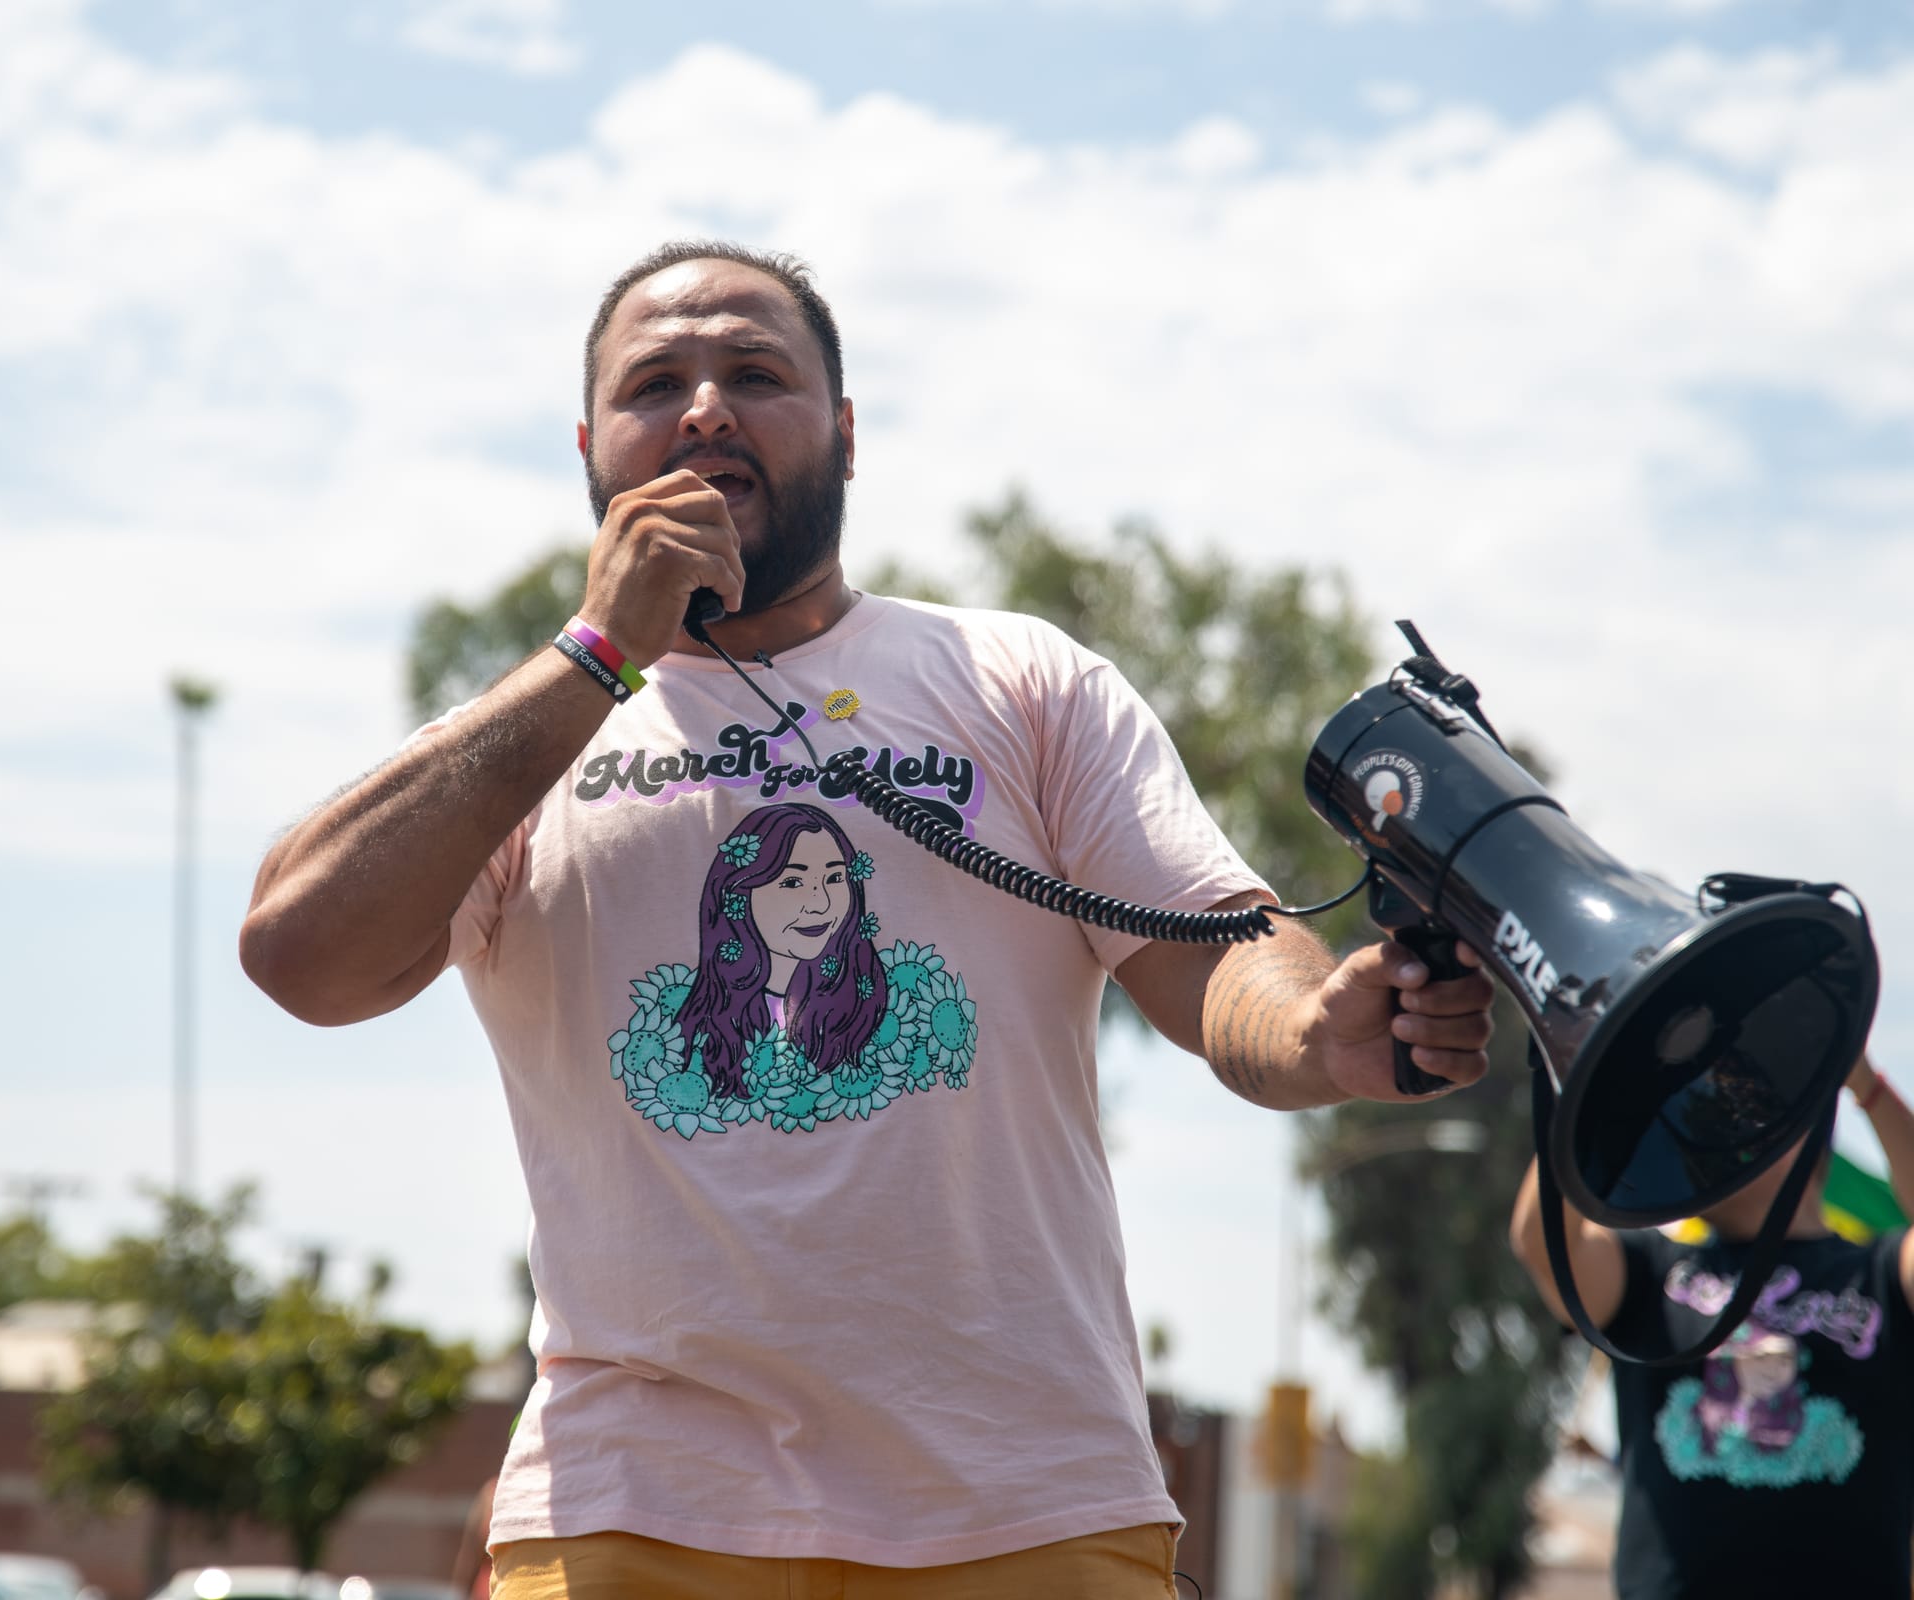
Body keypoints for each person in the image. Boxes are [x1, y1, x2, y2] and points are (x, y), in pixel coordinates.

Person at [240, 240, 1497, 1600]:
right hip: (633, 1514)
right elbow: (301, 956)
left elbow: (1216, 956)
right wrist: (598, 655)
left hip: (1025, 1509)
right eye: (657, 382)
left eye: (757, 373)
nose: (707, 408)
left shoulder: (1022, 682)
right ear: (593, 448)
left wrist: (1320, 1031)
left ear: (844, 432)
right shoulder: (528, 740)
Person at [1510, 1051, 1914, 1600]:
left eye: (1738, 1115)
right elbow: (1541, 1240)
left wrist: (1865, 1084)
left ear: (1802, 1134)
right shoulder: (1649, 1272)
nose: (1707, 1137)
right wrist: (1599, 1080)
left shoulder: (1881, 1274)